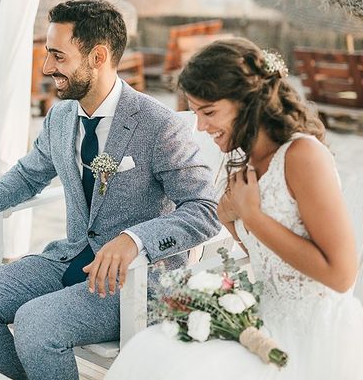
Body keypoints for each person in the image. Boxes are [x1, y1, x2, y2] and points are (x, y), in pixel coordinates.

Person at [0, 0, 220, 380]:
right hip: (70, 257)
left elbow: (205, 209)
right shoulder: (60, 116)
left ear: (97, 56)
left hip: (134, 280)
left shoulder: (159, 126)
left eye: (58, 56)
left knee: (35, 323)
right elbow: (28, 175)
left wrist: (134, 240)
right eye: (47, 54)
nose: (46, 68)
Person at [107, 38, 363, 380]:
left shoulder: (303, 156)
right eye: (195, 112)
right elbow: (267, 256)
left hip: (310, 333)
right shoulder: (240, 158)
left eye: (209, 112)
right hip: (261, 314)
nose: (199, 127)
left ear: (248, 102)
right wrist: (230, 222)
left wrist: (252, 217)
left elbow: (341, 276)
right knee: (148, 350)